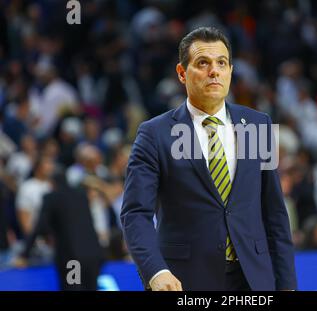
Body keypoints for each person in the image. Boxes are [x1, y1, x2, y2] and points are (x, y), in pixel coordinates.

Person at [121, 27, 297, 291]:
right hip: (184, 280)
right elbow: (136, 214)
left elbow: (275, 216)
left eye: (221, 63)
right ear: (182, 73)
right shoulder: (154, 133)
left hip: (254, 280)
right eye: (203, 63)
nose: (214, 71)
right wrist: (156, 271)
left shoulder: (259, 125)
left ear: (230, 71)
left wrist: (288, 286)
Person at [15, 169, 104, 290]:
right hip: (94, 257)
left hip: (73, 260)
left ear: (52, 183)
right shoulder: (82, 196)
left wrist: (24, 255)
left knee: (73, 289)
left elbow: (40, 226)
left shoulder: (52, 198)